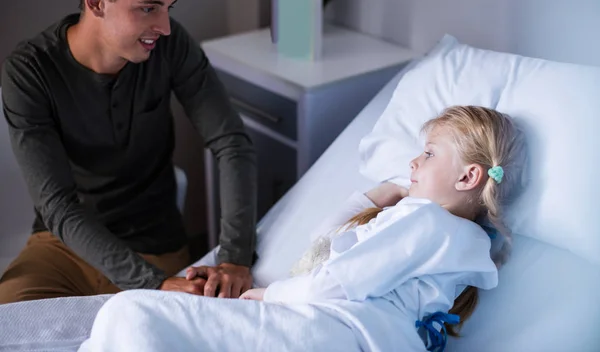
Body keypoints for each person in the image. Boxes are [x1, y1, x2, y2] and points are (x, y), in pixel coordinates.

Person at [78, 105, 528, 352]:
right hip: (343, 333)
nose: (413, 162)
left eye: (428, 154)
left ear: (468, 177)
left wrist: (266, 297)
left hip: (337, 330)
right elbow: (328, 242)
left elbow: (333, 281)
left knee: (131, 312)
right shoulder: (452, 238)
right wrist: (388, 191)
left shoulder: (427, 222)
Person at [0, 0, 257, 304]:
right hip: (61, 248)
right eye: (149, 8)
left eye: (169, 8)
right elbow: (57, 205)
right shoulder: (30, 71)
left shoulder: (171, 45)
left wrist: (235, 257)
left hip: (155, 246)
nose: (165, 26)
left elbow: (230, 141)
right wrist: (150, 284)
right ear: (96, 2)